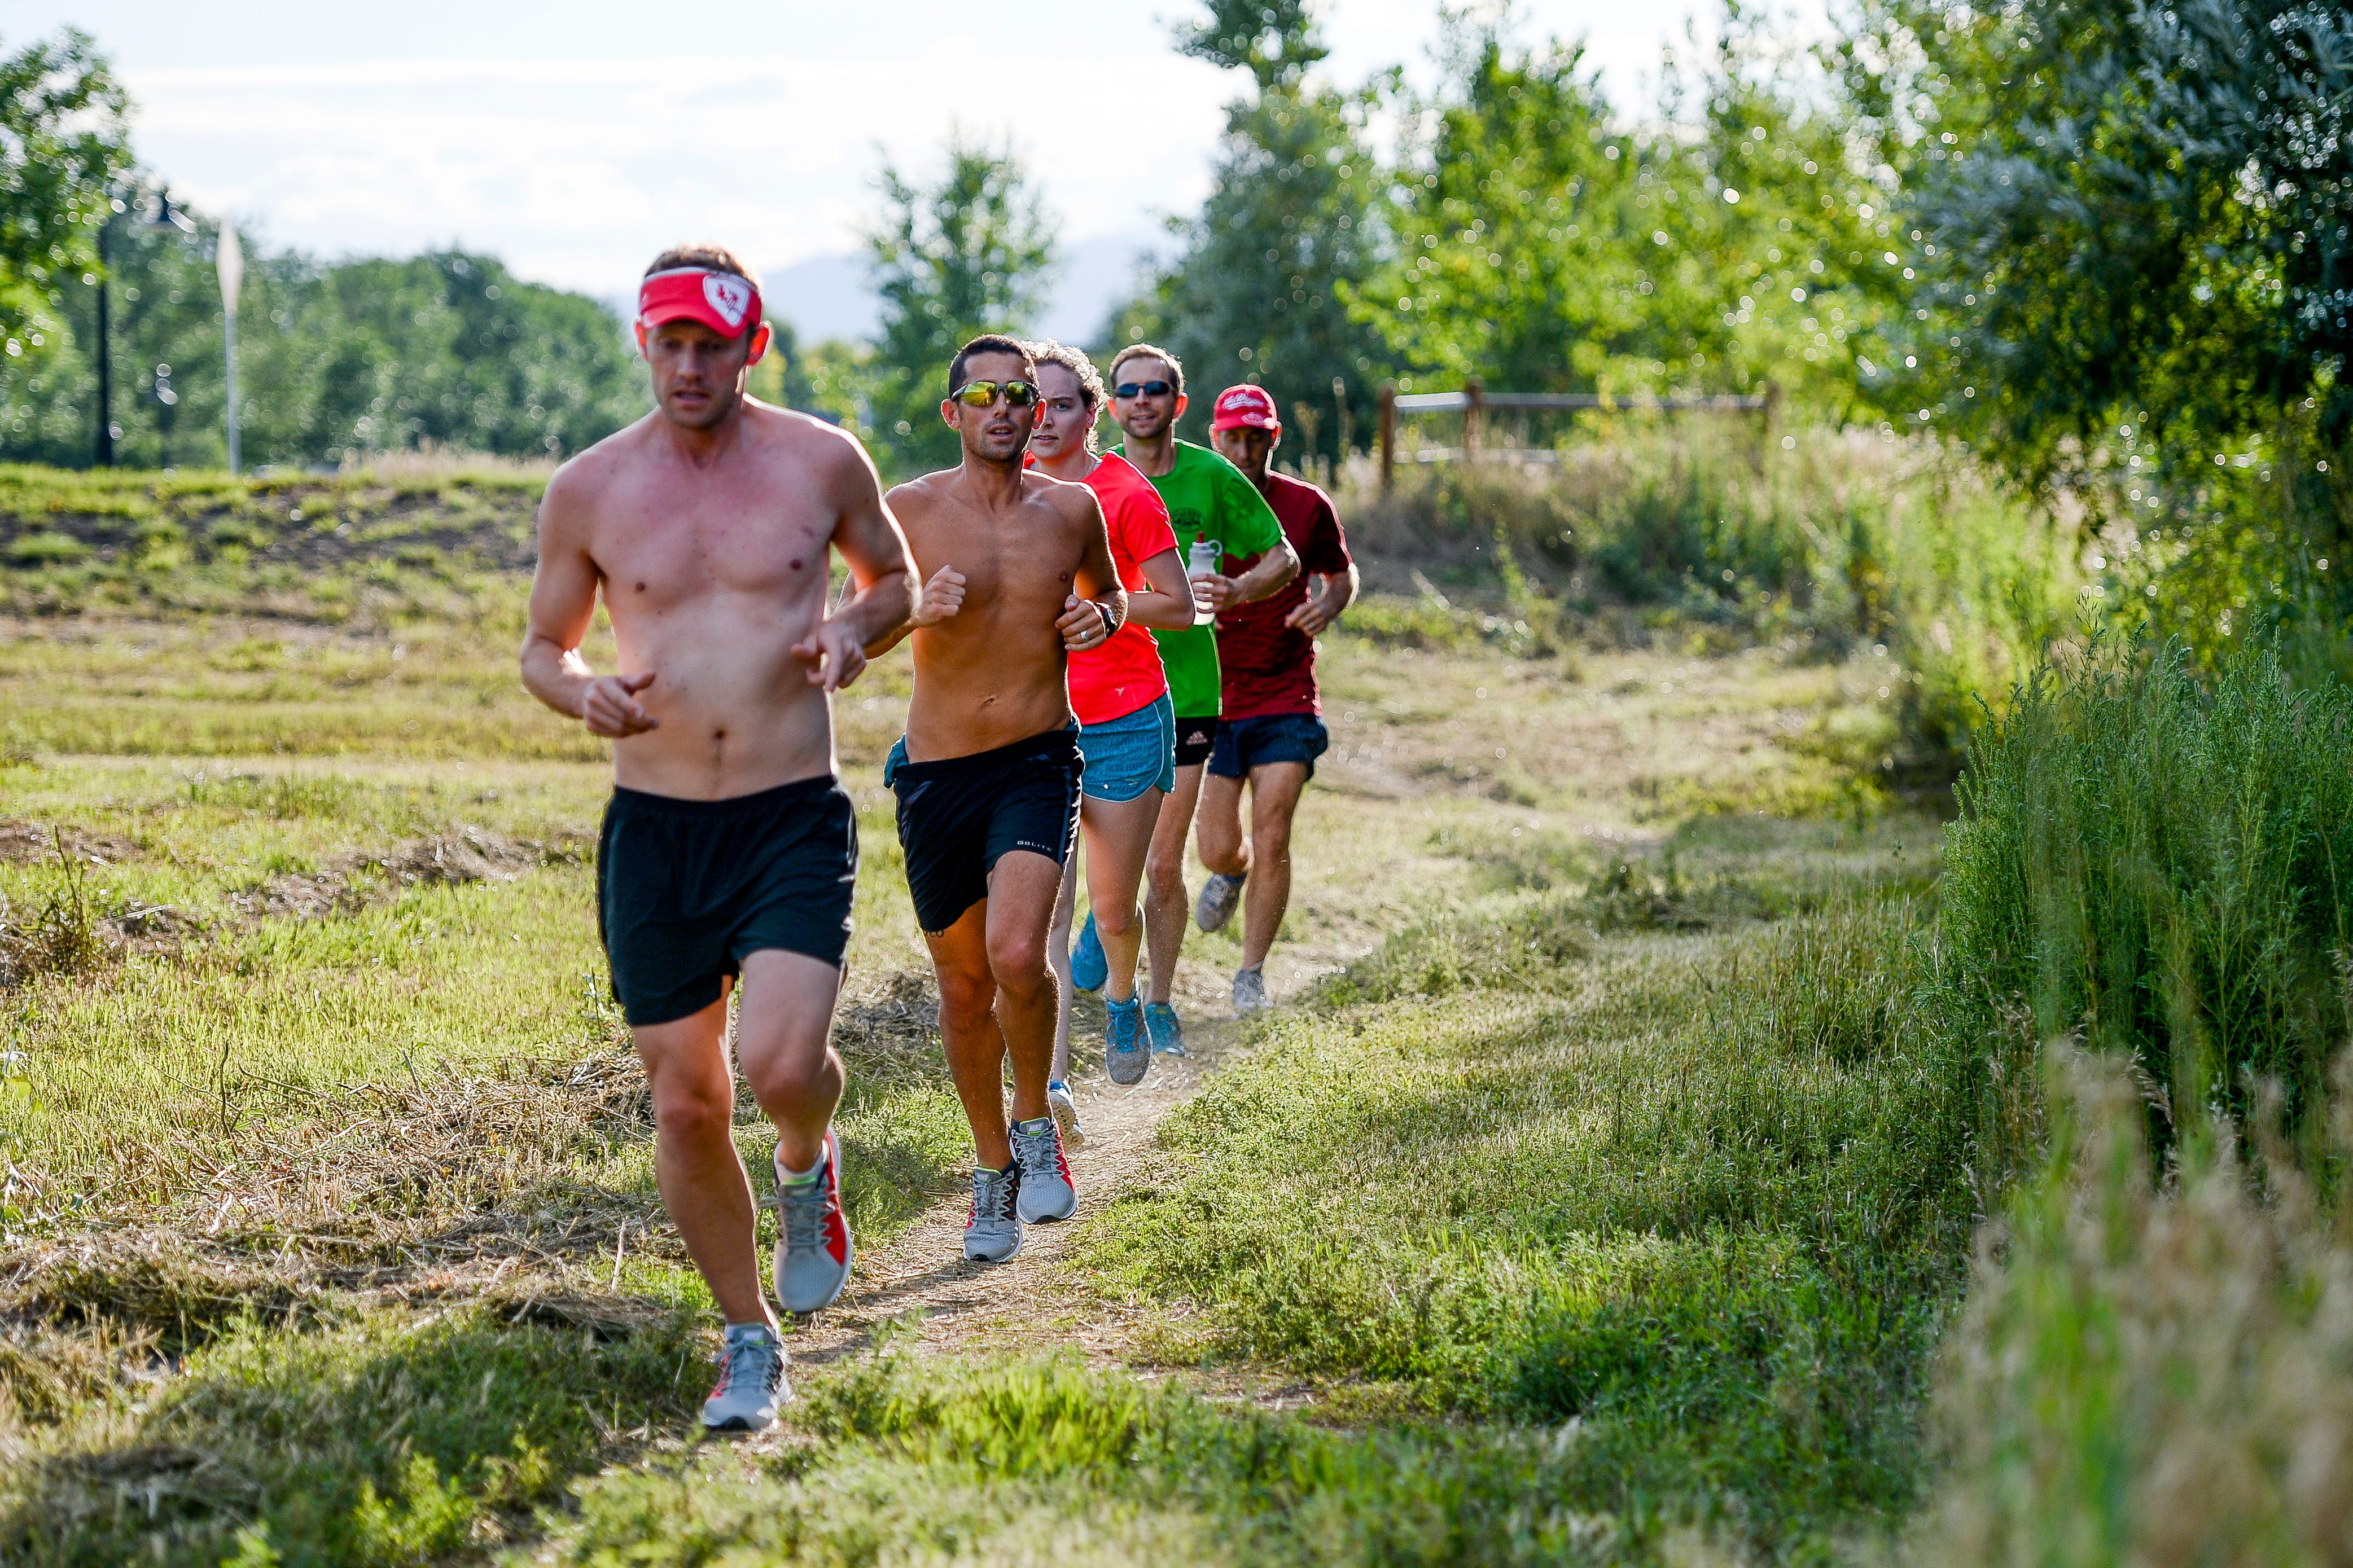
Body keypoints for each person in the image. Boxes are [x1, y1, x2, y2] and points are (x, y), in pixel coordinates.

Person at [519, 245, 916, 1434]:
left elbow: (891, 579)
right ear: (643, 344)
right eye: (668, 343)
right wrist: (575, 688)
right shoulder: (587, 488)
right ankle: (749, 1339)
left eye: (711, 344)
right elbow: (544, 646)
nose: (687, 366)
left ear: (752, 348)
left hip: (790, 810)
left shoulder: (821, 459)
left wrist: (855, 632)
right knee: (685, 1100)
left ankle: (806, 1161)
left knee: (782, 1068)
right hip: (654, 829)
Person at [873, 333, 1127, 1264]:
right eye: (984, 393)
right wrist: (911, 609)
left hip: (1036, 757)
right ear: (954, 413)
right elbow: (850, 633)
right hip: (936, 772)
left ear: (1040, 410)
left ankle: (1032, 1125)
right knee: (963, 984)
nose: (1007, 406)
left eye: (1021, 392)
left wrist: (1098, 618)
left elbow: (1112, 600)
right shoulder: (903, 511)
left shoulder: (1071, 507)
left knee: (1019, 949)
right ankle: (989, 1170)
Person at [1106, 344, 1298, 1053]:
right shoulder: (1094, 480)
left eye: (1155, 389)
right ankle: (1108, 952)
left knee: (1162, 862)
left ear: (1176, 404)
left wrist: (1241, 590)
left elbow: (1283, 555)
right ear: (1112, 405)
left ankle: (1158, 1005)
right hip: (1101, 690)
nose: (1141, 400)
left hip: (1187, 689)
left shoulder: (1211, 474)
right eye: (1127, 390)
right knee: (1102, 860)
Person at [1023, 342, 1195, 1127]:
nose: (1046, 418)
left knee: (1112, 909)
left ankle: (1122, 997)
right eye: (1035, 403)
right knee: (1048, 915)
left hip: (1125, 717)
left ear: (1093, 413)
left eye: (1064, 403)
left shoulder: (1122, 493)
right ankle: (1052, 1085)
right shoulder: (1008, 492)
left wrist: (1111, 606)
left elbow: (1181, 604)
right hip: (1034, 723)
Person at [1192, 385, 1359, 1013]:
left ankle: (1250, 974)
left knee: (1273, 832)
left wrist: (1329, 604)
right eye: (1231, 437)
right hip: (1210, 693)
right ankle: (1229, 872)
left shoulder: (1306, 505)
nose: (1242, 449)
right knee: (1214, 843)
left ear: (1272, 438)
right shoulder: (1194, 503)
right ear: (1214, 439)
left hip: (1286, 692)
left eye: (1254, 437)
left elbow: (1340, 575)